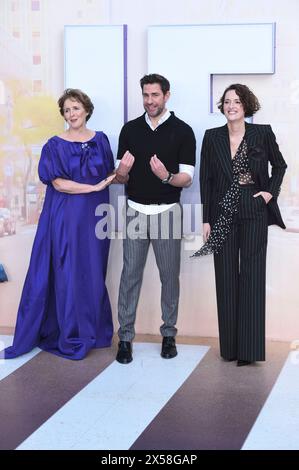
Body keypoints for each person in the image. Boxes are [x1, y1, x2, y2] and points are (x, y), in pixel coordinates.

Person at [3, 88, 117, 360]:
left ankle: (94, 330)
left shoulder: (101, 141)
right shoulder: (54, 145)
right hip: (65, 216)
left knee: (92, 270)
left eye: (75, 108)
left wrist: (120, 173)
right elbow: (59, 183)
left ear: (86, 110)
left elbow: (110, 175)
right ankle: (70, 332)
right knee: (68, 271)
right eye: (66, 110)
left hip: (96, 216)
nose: (71, 114)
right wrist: (94, 187)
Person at [194, 83, 287, 366]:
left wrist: (269, 193)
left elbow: (279, 166)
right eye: (226, 101)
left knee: (252, 276)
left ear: (246, 106)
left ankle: (248, 351)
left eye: (236, 101)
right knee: (225, 278)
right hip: (222, 213)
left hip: (253, 209)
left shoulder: (262, 133)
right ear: (222, 107)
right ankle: (231, 349)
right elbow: (206, 180)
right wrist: (207, 219)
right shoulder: (212, 137)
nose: (231, 106)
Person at [115, 73, 196, 364]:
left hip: (167, 213)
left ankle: (169, 335)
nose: (150, 101)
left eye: (155, 95)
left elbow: (186, 179)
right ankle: (125, 339)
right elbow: (119, 177)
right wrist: (121, 172)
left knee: (169, 277)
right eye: (146, 95)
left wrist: (166, 176)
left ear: (167, 95)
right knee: (129, 277)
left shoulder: (183, 131)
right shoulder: (130, 130)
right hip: (135, 210)